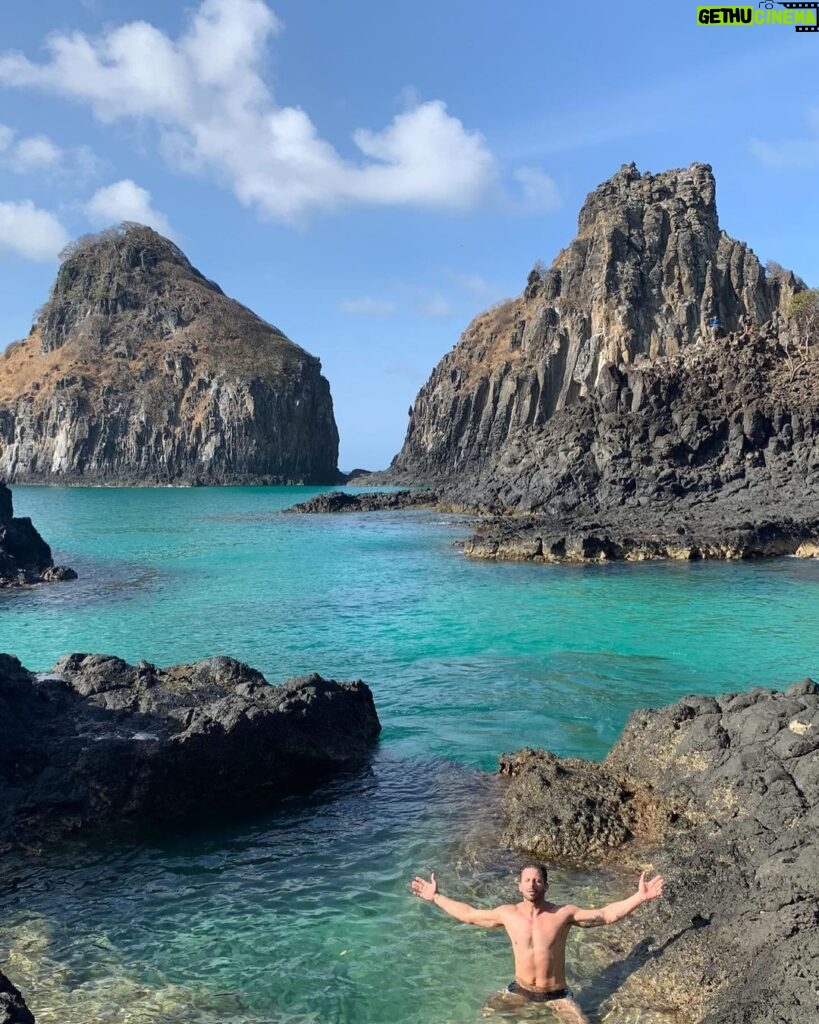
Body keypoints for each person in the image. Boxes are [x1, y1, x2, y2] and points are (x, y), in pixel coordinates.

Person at [411, 863, 664, 1023]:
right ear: (519, 885)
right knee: (484, 1016)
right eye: (527, 880)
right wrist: (436, 897)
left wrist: (639, 897)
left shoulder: (563, 914)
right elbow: (468, 914)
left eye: (537, 880)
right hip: (519, 991)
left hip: (557, 995)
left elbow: (606, 915)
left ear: (546, 886)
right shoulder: (507, 914)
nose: (532, 884)